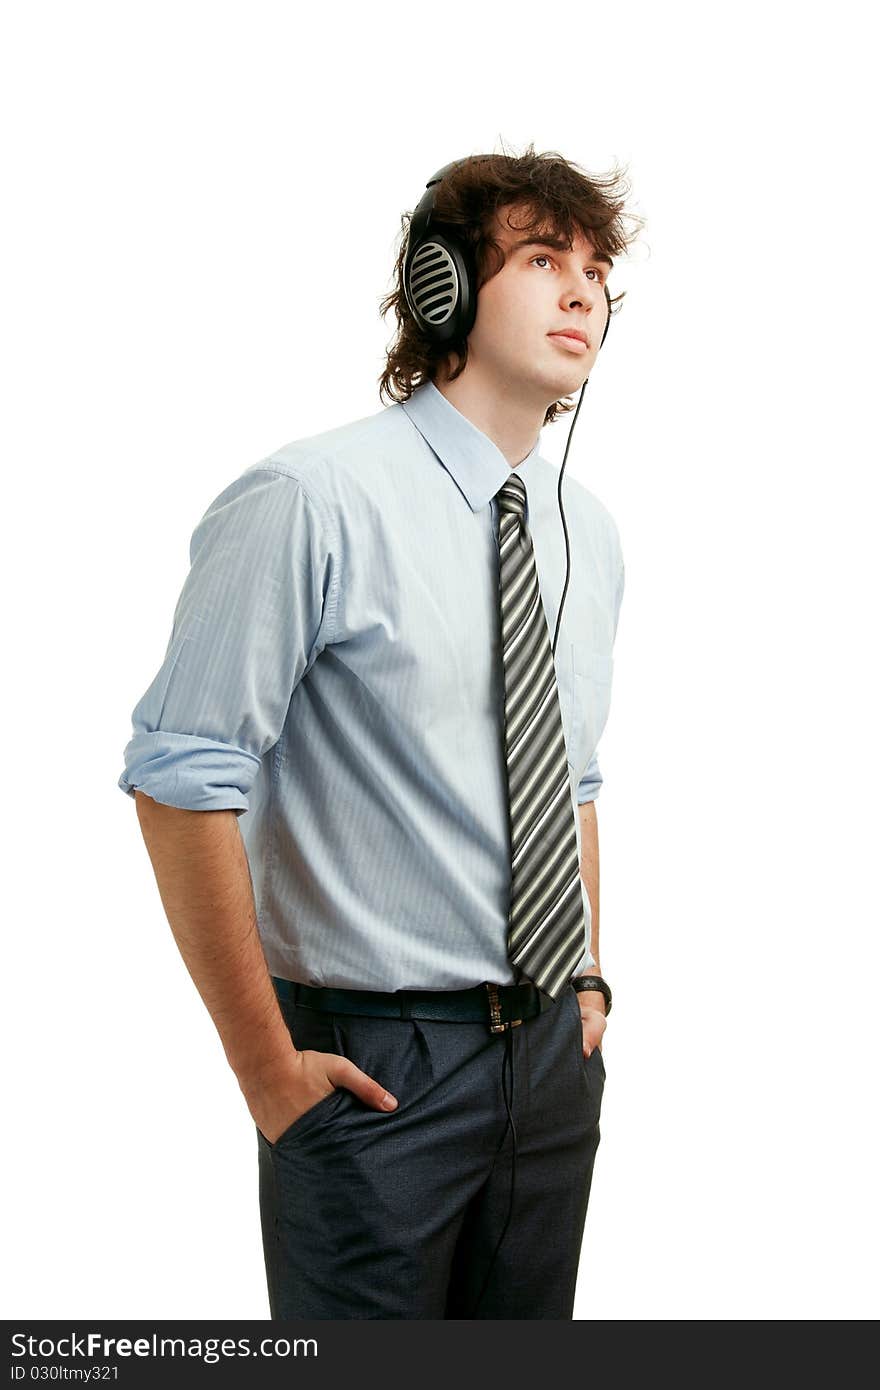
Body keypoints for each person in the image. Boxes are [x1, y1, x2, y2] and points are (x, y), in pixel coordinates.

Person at [117, 145, 641, 1319]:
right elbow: (182, 776)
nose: (582, 291)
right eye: (544, 257)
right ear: (444, 286)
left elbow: (574, 775)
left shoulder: (583, 533)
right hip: (378, 1075)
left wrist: (589, 981)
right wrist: (264, 1069)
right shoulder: (310, 500)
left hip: (553, 1063)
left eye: (598, 270)